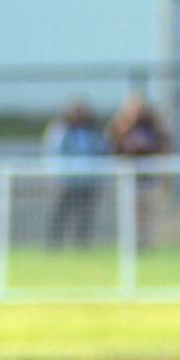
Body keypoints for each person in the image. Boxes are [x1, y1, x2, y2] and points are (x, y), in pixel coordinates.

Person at [107, 92, 171, 248]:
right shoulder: (121, 126)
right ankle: (129, 244)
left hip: (147, 178)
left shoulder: (152, 127)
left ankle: (145, 243)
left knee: (146, 213)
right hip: (127, 179)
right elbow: (112, 146)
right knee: (129, 213)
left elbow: (164, 145)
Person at [43, 99, 107, 248]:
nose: (79, 115)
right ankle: (53, 246)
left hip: (87, 181)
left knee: (85, 216)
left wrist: (99, 181)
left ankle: (81, 247)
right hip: (67, 181)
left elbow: (101, 153)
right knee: (61, 215)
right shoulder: (60, 130)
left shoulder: (94, 131)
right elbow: (53, 154)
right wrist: (56, 180)